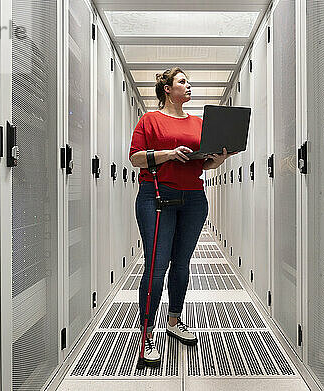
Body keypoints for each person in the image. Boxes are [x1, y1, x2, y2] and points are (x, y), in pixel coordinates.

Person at [129, 68, 233, 367]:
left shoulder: (199, 123)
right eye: (183, 82)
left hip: (194, 199)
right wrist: (169, 153)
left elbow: (205, 165)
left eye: (188, 82)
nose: (189, 86)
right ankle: (146, 334)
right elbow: (135, 157)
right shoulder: (150, 120)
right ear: (167, 89)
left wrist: (219, 160)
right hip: (158, 198)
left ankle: (174, 321)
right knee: (157, 265)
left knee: (182, 263)